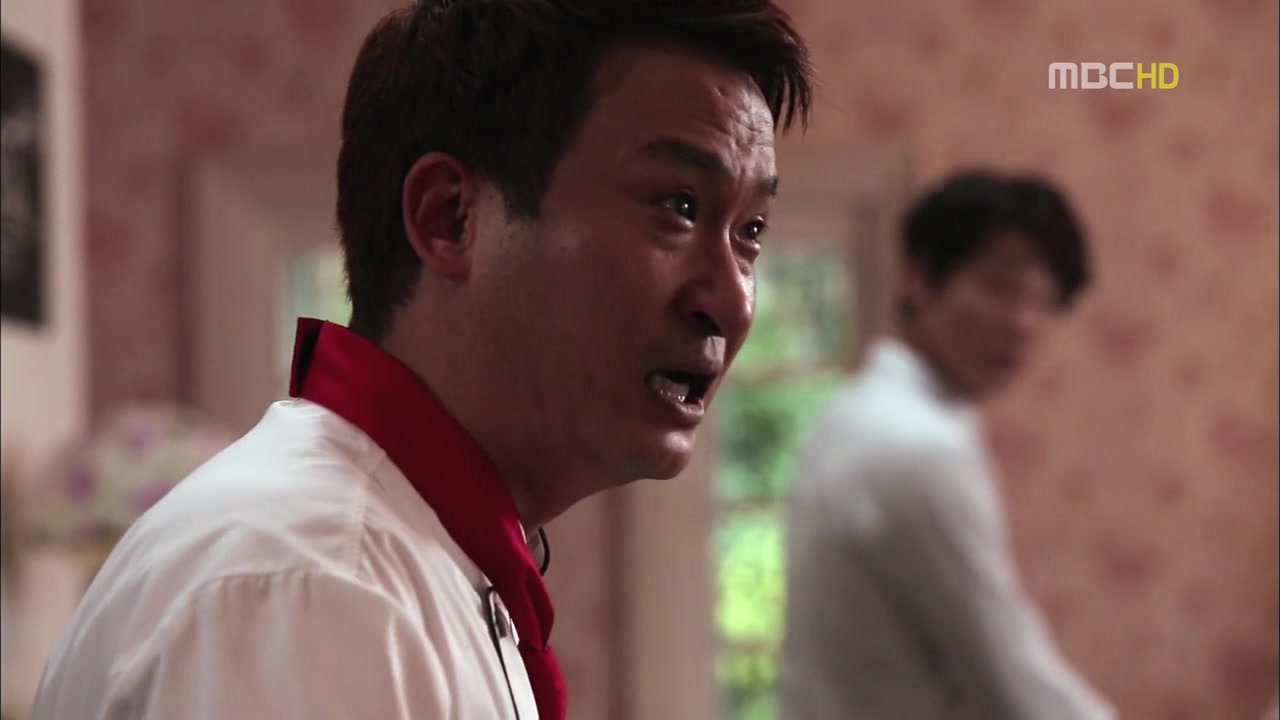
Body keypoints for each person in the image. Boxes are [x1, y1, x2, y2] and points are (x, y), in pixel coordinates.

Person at [31, 2, 813, 718]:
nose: (734, 301)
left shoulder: (405, 564)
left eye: (750, 232)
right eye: (679, 206)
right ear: (449, 218)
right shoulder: (312, 592)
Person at [780, 170, 1116, 719]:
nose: (1023, 322)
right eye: (999, 288)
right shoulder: (919, 447)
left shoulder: (856, 412)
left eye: (1043, 300)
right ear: (920, 280)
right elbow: (1013, 684)